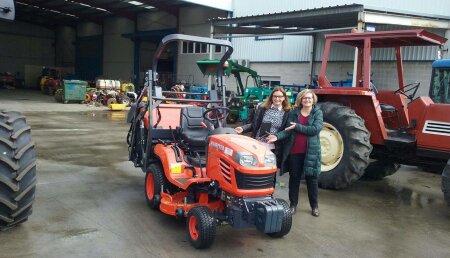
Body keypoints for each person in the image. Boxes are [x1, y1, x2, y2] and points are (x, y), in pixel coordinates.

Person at [267, 89, 323, 217]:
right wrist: (276, 136)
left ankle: (314, 206)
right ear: (300, 100)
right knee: (294, 179)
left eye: (309, 98)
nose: (307, 100)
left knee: (312, 180)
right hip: (294, 152)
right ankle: (293, 205)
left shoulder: (317, 113)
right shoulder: (294, 113)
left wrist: (297, 127)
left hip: (311, 152)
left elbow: (315, 129)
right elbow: (287, 130)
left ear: (313, 99)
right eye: (304, 98)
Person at [234, 87, 290, 168]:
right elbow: (255, 124)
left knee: (270, 169)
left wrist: (276, 136)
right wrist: (243, 128)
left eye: (280, 96)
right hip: (258, 144)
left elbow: (287, 131)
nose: (277, 98)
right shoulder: (263, 108)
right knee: (255, 168)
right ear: (271, 97)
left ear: (284, 98)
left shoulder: (287, 112)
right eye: (275, 96)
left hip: (274, 146)